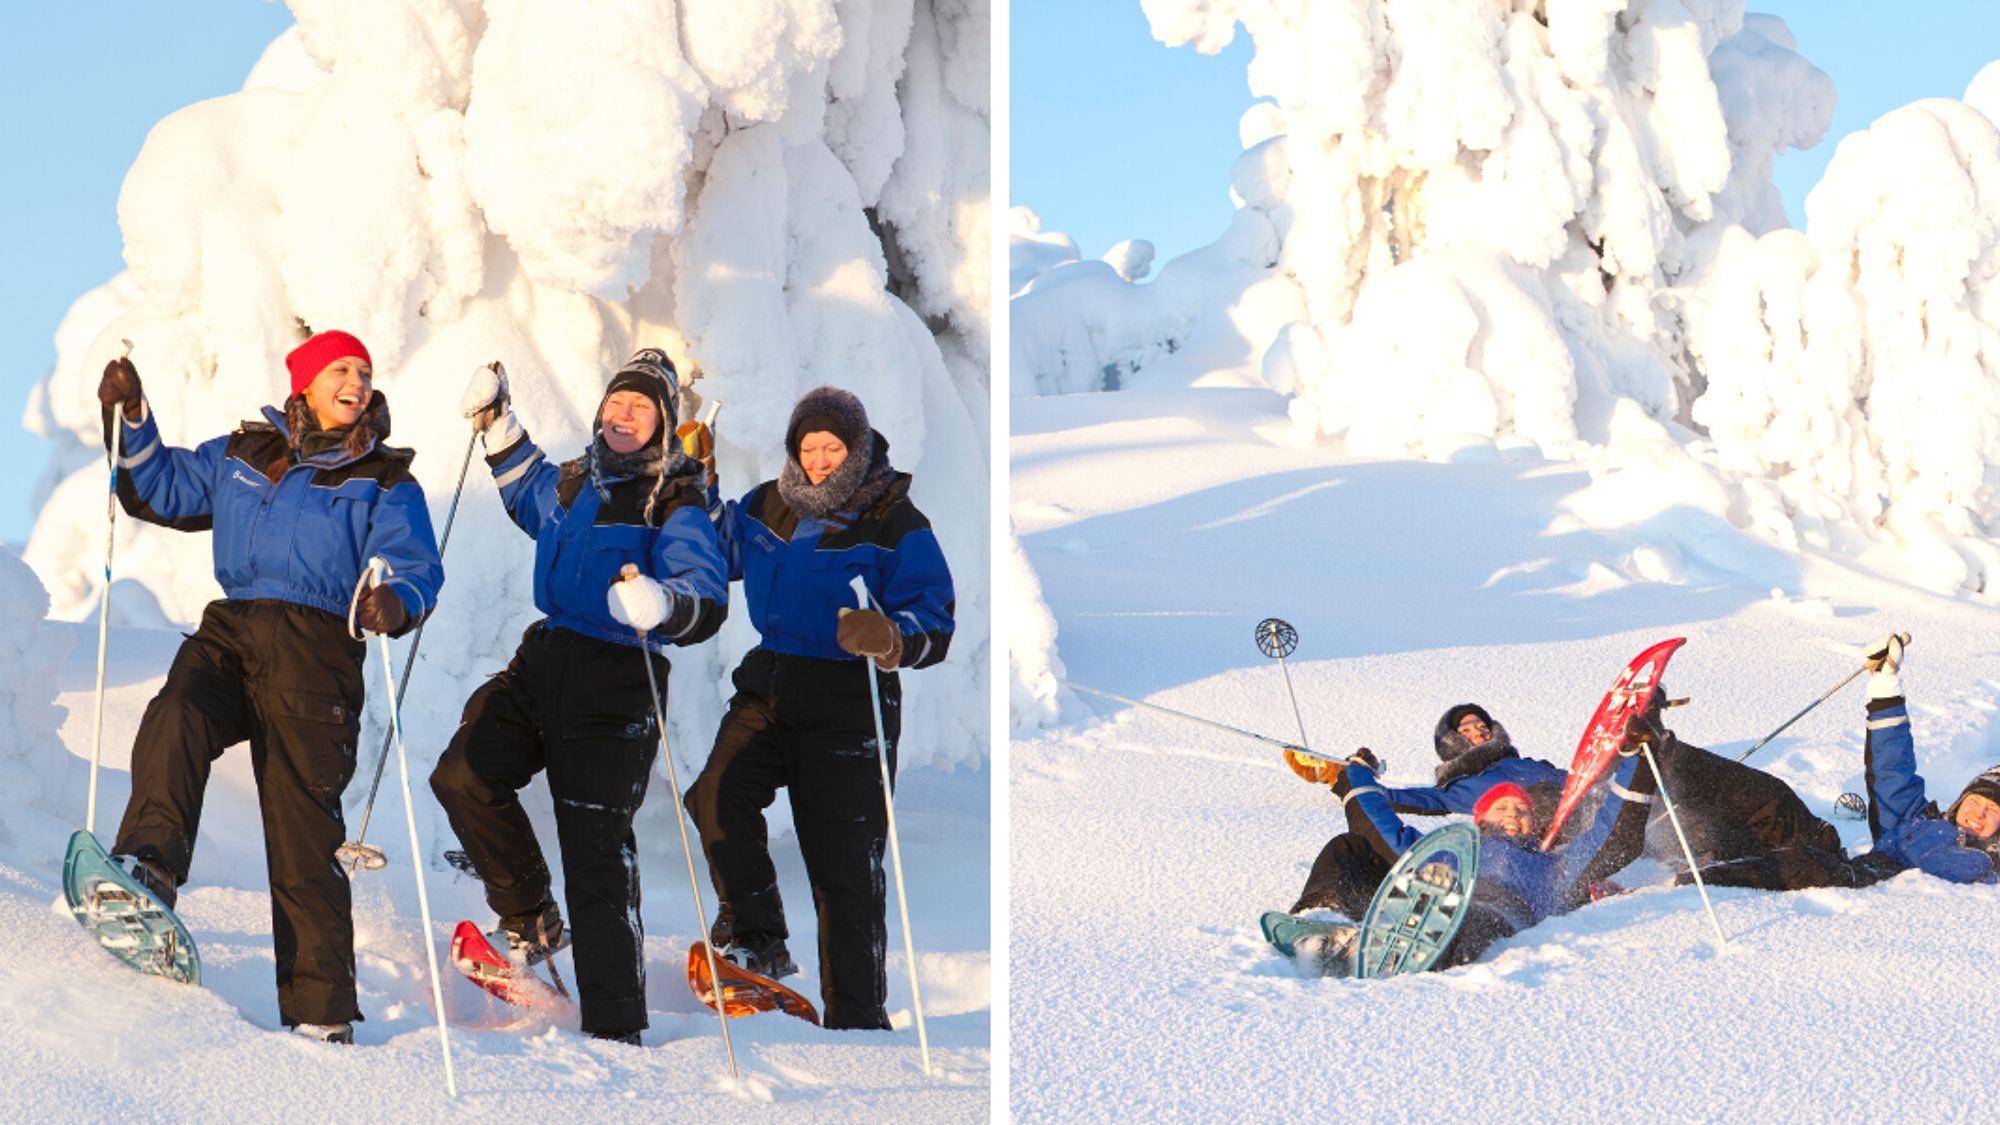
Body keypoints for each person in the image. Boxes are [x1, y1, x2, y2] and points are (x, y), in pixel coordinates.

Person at [98, 330, 444, 1044]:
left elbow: (415, 564)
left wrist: (397, 599)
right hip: (233, 627)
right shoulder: (244, 453)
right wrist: (132, 416)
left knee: (302, 828)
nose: (356, 380)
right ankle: (148, 868)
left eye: (365, 371)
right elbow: (157, 485)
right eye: (340, 368)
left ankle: (321, 1014)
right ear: (306, 381)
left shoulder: (383, 477)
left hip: (316, 651)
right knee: (178, 712)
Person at [428, 351, 727, 1045]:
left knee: (595, 853)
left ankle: (616, 1028)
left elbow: (704, 592)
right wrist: (497, 421)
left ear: (662, 424)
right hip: (546, 657)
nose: (623, 415)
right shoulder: (574, 482)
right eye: (616, 403)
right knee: (465, 772)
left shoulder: (676, 498)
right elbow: (525, 488)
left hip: (620, 680)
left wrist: (663, 601)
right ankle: (530, 913)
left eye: (640, 407)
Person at [683, 385, 954, 1031]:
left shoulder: (893, 518)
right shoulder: (770, 503)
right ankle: (761, 938)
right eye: (810, 447)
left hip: (851, 700)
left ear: (857, 448)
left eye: (834, 447)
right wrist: (697, 483)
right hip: (772, 681)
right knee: (716, 793)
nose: (821, 460)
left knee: (844, 870)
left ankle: (857, 1020)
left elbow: (933, 615)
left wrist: (891, 636)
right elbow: (718, 550)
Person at [1275, 734, 1661, 975]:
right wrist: (1356, 773)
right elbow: (1378, 826)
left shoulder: (1555, 864)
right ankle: (1324, 922)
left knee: (1475, 917)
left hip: (1496, 914)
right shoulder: (1447, 849)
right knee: (1352, 846)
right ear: (1479, 819)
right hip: (1428, 895)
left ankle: (1418, 950)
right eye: (1502, 808)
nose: (1514, 814)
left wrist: (1637, 757)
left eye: (1523, 811)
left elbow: (1615, 833)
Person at [1688, 634, 1999, 892]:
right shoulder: (1919, 821)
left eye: (1995, 809)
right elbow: (1892, 769)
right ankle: (1664, 756)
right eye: (1976, 800)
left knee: (1801, 865)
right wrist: (1885, 686)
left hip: (1872, 889)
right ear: (1961, 799)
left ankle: (1688, 885)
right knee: (1774, 799)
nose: (1979, 813)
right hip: (1850, 870)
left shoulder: (1991, 874)